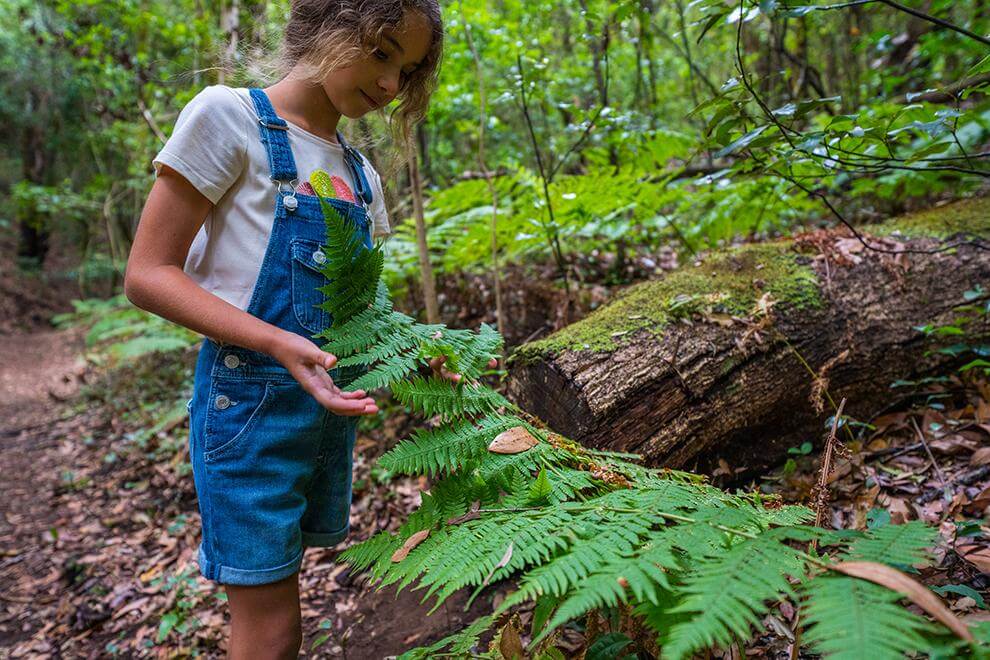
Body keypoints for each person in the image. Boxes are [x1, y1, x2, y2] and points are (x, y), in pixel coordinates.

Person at [124, 1, 442, 656]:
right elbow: (148, 274)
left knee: (283, 610)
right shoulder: (228, 116)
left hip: (326, 423)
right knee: (270, 625)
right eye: (381, 52)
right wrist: (273, 340)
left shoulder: (361, 176)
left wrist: (416, 352)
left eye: (405, 71)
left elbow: (361, 314)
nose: (389, 85)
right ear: (329, 23)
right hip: (248, 410)